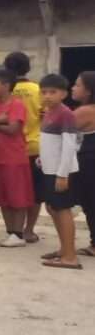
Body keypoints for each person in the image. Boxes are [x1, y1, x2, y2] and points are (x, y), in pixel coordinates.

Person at [0, 69, 36, 246]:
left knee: (17, 197)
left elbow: (14, 130)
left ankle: (18, 233)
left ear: (6, 86)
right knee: (2, 196)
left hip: (14, 157)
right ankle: (10, 232)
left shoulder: (17, 104)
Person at [35, 74, 82, 269]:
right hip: (49, 168)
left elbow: (70, 145)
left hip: (61, 171)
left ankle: (70, 256)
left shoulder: (65, 114)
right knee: (52, 208)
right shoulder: (49, 111)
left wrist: (63, 174)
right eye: (44, 92)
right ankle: (64, 249)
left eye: (52, 92)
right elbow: (50, 142)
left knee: (63, 210)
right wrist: (41, 158)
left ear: (63, 93)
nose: (47, 96)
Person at [69, 71, 95, 257]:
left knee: (90, 202)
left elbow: (60, 129)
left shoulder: (85, 111)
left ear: (88, 91)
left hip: (88, 160)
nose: (73, 87)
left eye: (77, 85)